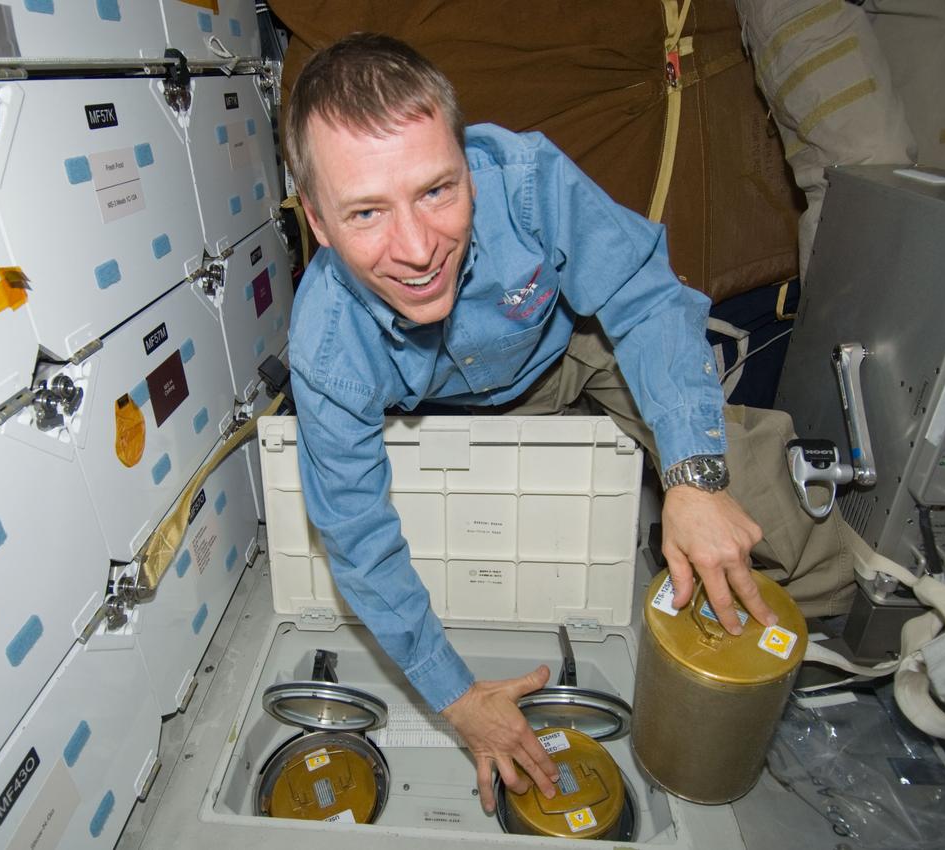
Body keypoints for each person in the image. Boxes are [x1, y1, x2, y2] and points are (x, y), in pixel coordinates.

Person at [282, 32, 852, 812]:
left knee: (753, 480)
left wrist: (693, 477)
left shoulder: (526, 178)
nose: (417, 250)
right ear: (316, 220)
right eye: (366, 213)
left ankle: (827, 671)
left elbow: (645, 298)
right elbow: (356, 536)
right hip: (431, 409)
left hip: (570, 350)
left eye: (437, 192)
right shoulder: (326, 344)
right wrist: (457, 699)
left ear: (467, 163)